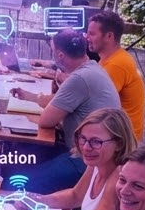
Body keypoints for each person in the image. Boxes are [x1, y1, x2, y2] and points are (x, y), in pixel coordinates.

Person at [8, 29, 121, 192]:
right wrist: (29, 96)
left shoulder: (79, 78)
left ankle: (7, 193)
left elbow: (46, 121)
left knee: (20, 181)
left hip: (87, 159)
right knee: (19, 152)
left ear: (60, 55)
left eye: (53, 50)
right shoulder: (92, 69)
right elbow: (59, 102)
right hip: (98, 151)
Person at [87, 10, 145, 141]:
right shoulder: (113, 57)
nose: (87, 37)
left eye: (92, 34)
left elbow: (93, 103)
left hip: (122, 139)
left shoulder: (116, 65)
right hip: (116, 130)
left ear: (109, 36)